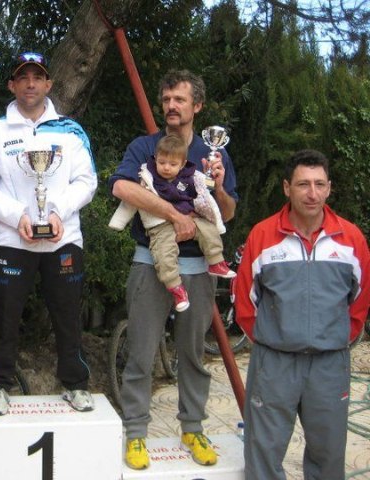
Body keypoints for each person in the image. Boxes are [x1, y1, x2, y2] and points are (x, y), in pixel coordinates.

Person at [109, 69, 238, 469]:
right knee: (141, 352)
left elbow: (228, 213)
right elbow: (121, 187)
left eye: (179, 99)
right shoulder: (144, 147)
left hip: (198, 269)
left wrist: (218, 188)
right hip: (150, 263)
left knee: (193, 354)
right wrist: (172, 214)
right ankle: (136, 433)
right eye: (166, 99)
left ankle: (193, 428)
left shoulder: (212, 153)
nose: (171, 106)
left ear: (197, 105)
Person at [0, 51, 98, 415]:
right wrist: (18, 217)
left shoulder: (70, 131)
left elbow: (87, 181)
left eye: (37, 77)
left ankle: (75, 384)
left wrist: (58, 212)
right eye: (23, 77)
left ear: (48, 84)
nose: (30, 84)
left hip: (63, 239)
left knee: (68, 318)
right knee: (5, 319)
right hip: (14, 241)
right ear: (12, 85)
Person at [234, 149, 370, 480]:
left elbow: (360, 301)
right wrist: (273, 338)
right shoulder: (263, 236)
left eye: (319, 184)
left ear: (329, 188)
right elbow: (245, 301)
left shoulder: (351, 239)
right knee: (263, 454)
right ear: (287, 188)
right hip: (274, 364)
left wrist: (334, 338)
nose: (312, 193)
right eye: (303, 184)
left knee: (328, 457)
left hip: (329, 366)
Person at [109, 134, 235, 312]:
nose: (166, 167)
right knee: (164, 252)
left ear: (183, 164)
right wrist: (118, 222)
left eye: (173, 164)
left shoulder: (194, 171)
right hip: (157, 229)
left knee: (208, 229)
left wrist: (217, 186)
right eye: (162, 162)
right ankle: (175, 287)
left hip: (198, 258)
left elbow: (212, 200)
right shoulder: (146, 171)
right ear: (155, 158)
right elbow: (122, 190)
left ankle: (216, 261)